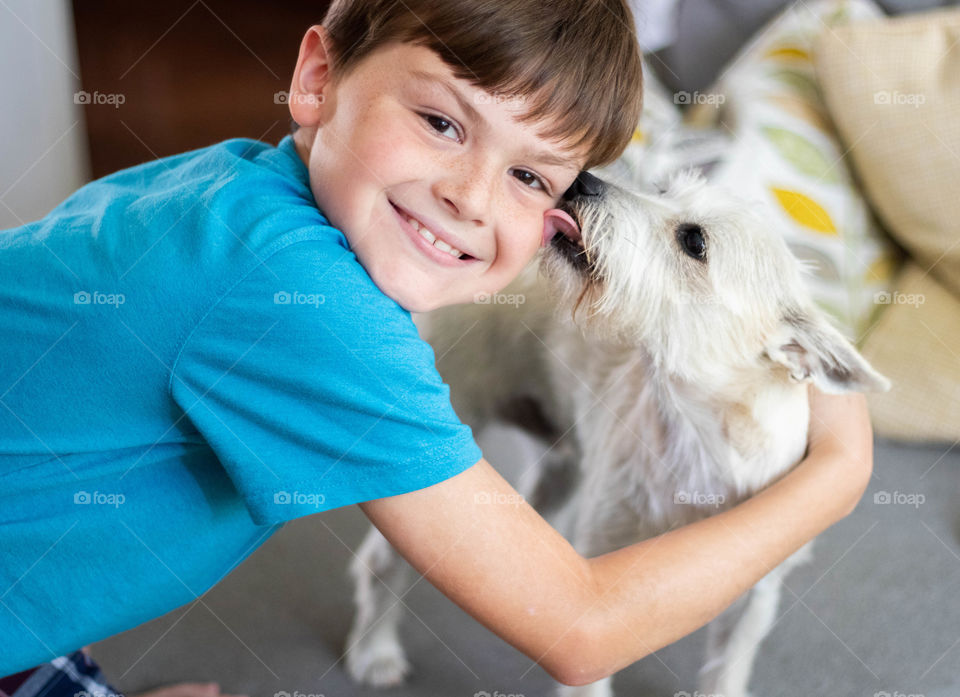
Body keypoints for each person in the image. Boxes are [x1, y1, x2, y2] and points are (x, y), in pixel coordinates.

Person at [0, 0, 875, 690]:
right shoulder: (305, 310)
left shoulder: (236, 192)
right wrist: (837, 474)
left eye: (531, 176)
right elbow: (580, 626)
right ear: (317, 75)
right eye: (444, 122)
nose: (470, 196)